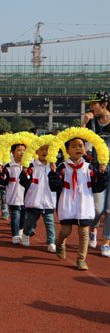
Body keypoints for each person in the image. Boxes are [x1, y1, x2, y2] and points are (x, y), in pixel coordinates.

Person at [48, 138, 108, 270]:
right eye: (74, 146)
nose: (78, 148)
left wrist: (102, 174)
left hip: (84, 203)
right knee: (66, 230)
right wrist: (52, 174)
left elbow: (98, 187)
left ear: (85, 149)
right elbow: (55, 186)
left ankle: (81, 259)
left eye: (80, 146)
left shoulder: (89, 167)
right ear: (67, 151)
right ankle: (60, 243)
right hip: (67, 202)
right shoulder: (62, 167)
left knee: (84, 233)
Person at [81, 91, 110, 257]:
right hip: (97, 167)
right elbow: (82, 144)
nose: (91, 107)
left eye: (94, 103)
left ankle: (106, 242)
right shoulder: (92, 122)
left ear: (104, 104)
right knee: (98, 208)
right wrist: (84, 123)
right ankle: (93, 229)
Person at [19, 143, 57, 252]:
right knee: (30, 221)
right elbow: (24, 182)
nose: (45, 152)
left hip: (49, 200)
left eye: (47, 149)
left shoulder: (53, 166)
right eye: (42, 149)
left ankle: (51, 242)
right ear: (36, 152)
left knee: (50, 223)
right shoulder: (32, 166)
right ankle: (25, 234)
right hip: (34, 199)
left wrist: (54, 172)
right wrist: (24, 173)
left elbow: (57, 183)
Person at [0, 144, 27, 244]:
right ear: (12, 152)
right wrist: (1, 173)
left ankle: (21, 231)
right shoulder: (9, 166)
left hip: (26, 197)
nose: (22, 152)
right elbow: (3, 181)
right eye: (19, 150)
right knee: (15, 217)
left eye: (23, 150)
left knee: (23, 216)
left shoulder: (28, 165)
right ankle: (15, 235)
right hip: (13, 197)